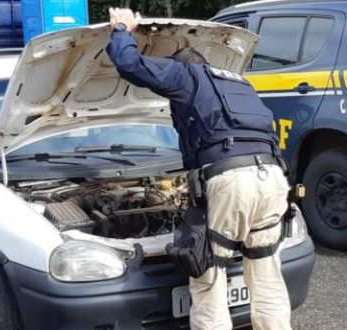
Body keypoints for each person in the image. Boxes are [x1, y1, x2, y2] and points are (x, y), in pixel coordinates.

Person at [105, 8, 293, 330]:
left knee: (209, 274)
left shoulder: (185, 75)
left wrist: (123, 29)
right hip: (273, 179)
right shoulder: (239, 84)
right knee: (267, 276)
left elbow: (129, 64)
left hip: (232, 179)